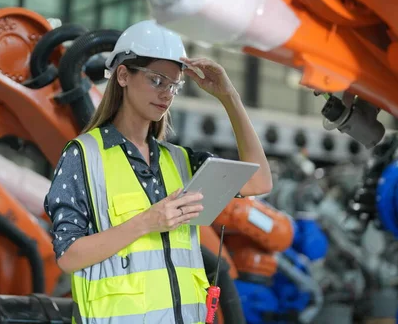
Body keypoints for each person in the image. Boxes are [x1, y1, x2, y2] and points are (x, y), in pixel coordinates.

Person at [44, 20, 273, 324]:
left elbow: (260, 181)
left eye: (173, 85)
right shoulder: (84, 156)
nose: (166, 94)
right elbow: (68, 256)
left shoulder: (178, 160)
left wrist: (229, 96)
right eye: (156, 80)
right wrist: (147, 221)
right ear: (123, 75)